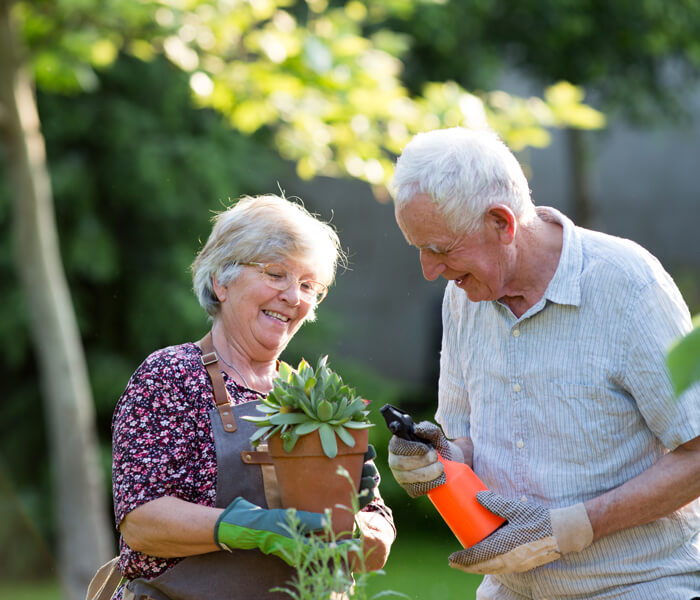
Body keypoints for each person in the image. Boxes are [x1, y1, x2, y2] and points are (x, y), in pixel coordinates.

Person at [386, 127, 700, 599]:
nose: (430, 271)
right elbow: (466, 442)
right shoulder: (463, 297)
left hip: (638, 585)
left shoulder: (627, 284)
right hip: (509, 588)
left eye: (440, 249)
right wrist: (437, 459)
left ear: (501, 223)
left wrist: (573, 526)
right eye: (419, 249)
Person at [111, 194, 396, 600]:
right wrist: (254, 527)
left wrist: (356, 523)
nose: (294, 297)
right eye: (276, 274)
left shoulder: (316, 396)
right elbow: (141, 522)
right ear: (220, 281)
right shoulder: (171, 376)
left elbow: (376, 545)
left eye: (308, 285)